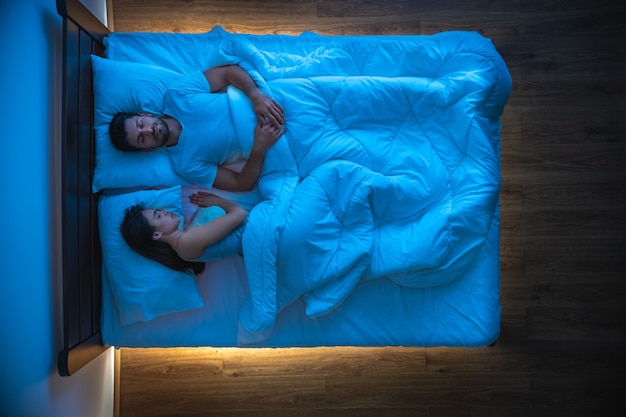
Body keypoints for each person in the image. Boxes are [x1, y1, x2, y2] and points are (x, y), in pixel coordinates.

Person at [109, 64, 286, 192]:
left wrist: (255, 95)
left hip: (270, 100)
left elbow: (228, 72)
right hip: (276, 140)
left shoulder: (177, 94)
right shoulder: (185, 164)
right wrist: (259, 149)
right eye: (142, 138)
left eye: (141, 125)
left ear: (144, 115)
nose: (148, 131)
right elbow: (241, 184)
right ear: (146, 150)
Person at [120, 191, 246, 274]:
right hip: (255, 231)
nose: (164, 211)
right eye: (158, 216)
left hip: (254, 229)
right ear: (157, 234)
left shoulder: (187, 229)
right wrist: (218, 201)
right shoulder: (185, 243)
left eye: (159, 210)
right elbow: (240, 214)